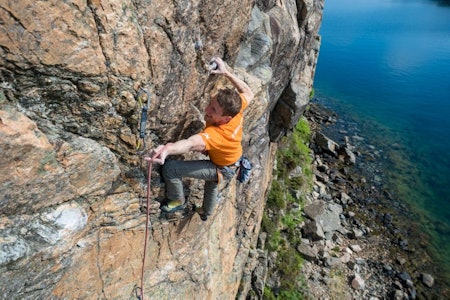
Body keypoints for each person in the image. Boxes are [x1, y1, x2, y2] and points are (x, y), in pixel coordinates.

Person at [146, 57, 254, 221]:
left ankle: (177, 201)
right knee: (212, 183)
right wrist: (225, 73)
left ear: (225, 119)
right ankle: (206, 213)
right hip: (232, 161)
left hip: (223, 166)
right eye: (210, 103)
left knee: (171, 168)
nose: (207, 110)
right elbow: (248, 93)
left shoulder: (217, 135)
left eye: (214, 110)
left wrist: (168, 149)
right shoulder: (236, 110)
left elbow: (190, 144)